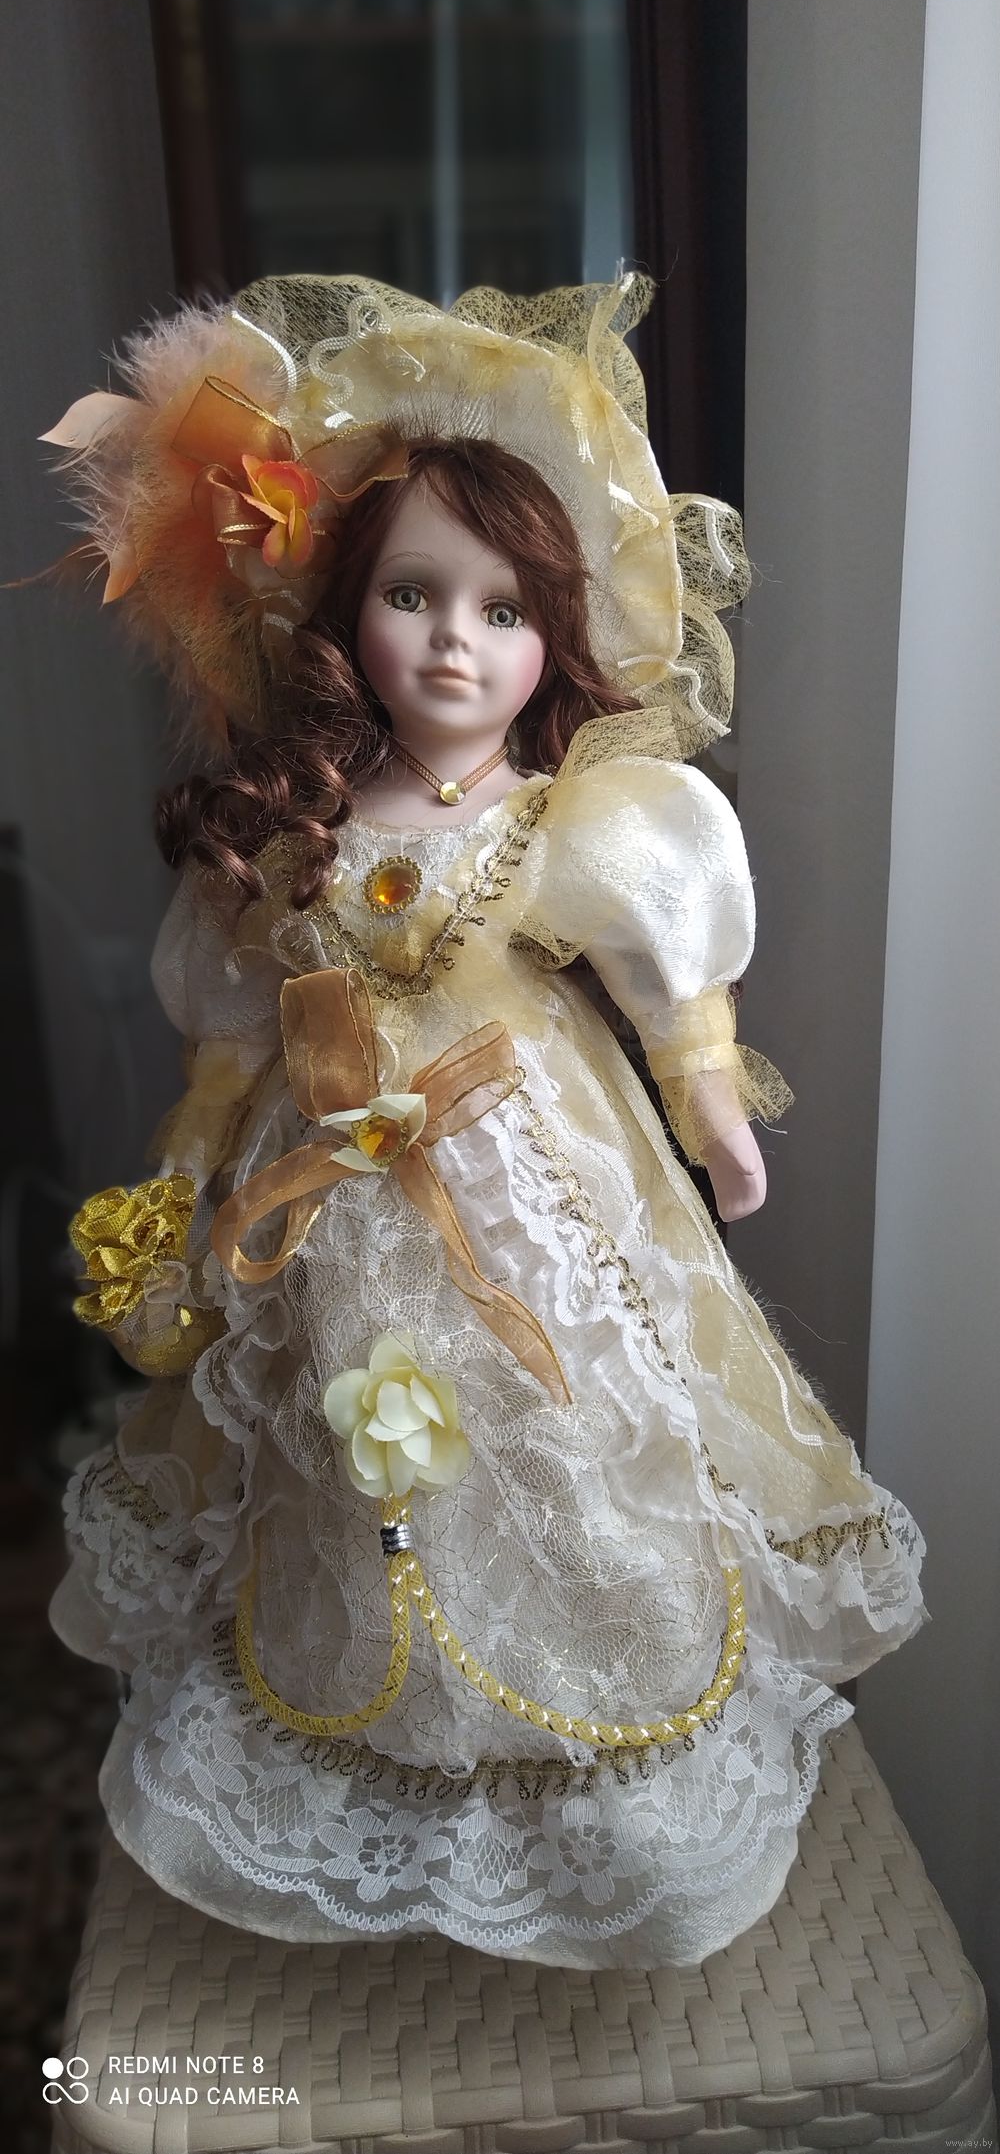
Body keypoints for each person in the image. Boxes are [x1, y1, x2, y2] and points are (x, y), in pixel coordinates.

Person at [44, 274, 926, 1969]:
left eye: (504, 609)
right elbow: (231, 1020)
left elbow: (667, 978)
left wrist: (712, 1103)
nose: (457, 641)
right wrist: (192, 1159)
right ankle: (389, 1728)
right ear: (345, 612)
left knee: (572, 1424)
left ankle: (590, 1759)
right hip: (332, 1199)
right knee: (342, 1448)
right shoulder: (299, 825)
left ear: (556, 637)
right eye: (414, 594)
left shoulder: (579, 817)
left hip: (538, 1178)